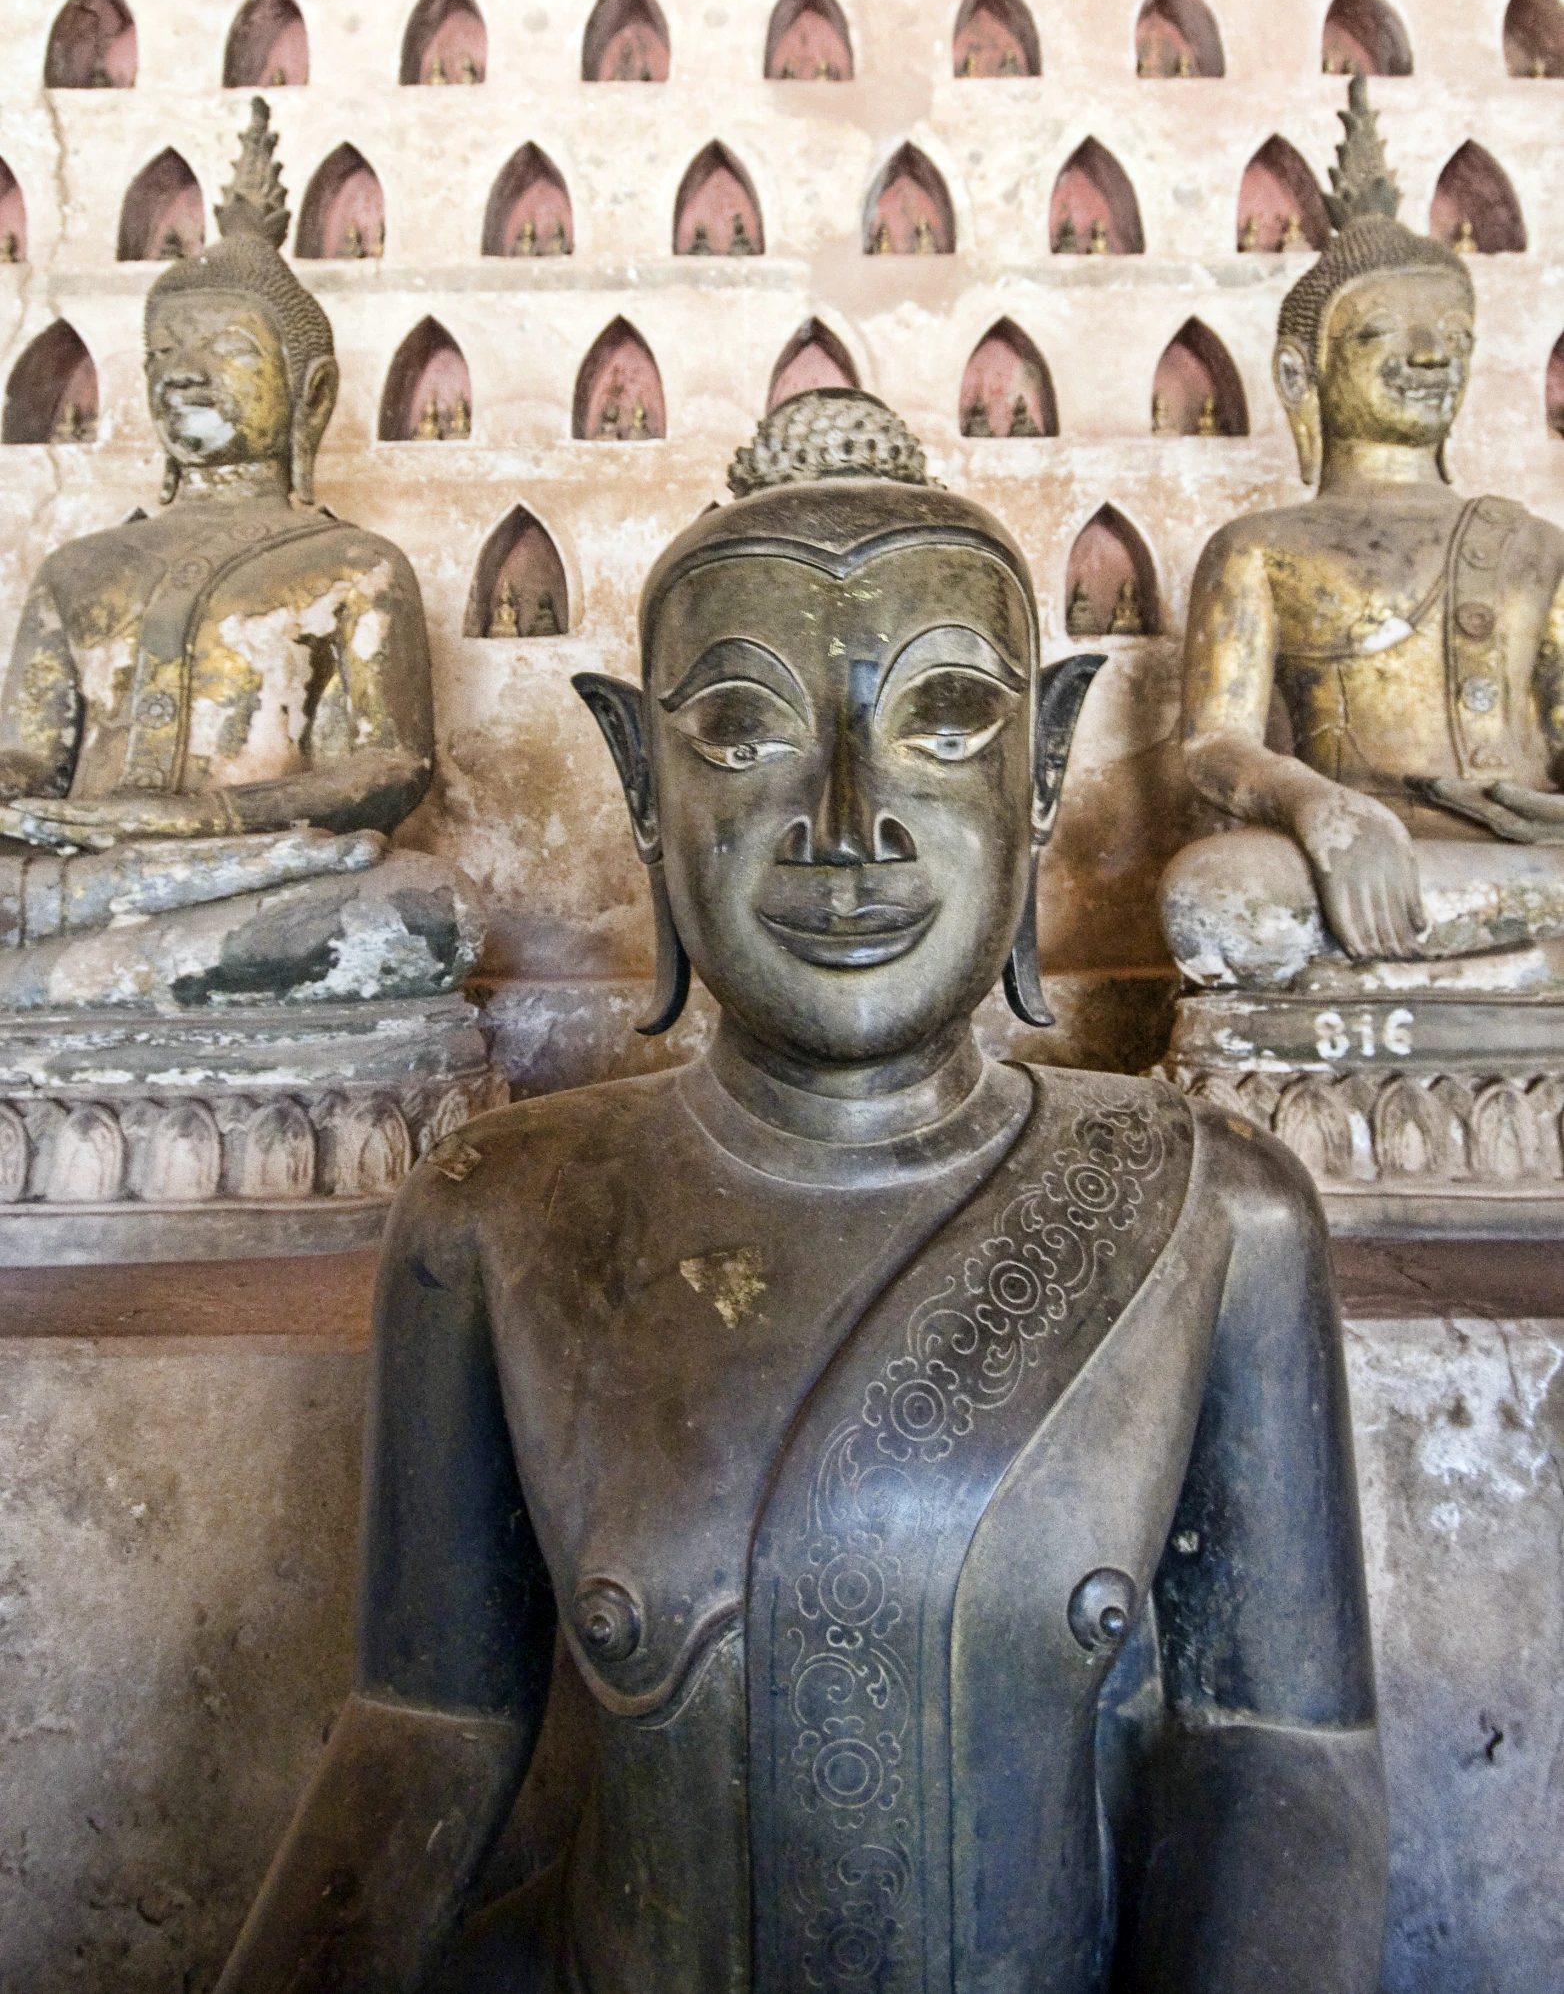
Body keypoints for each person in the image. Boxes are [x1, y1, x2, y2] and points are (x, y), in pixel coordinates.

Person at [219, 393, 1386, 1994]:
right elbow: (422, 1730)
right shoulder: (499, 1214)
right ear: (641, 781)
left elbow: (1285, 1758)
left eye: (949, 715)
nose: (849, 823)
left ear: (1043, 773)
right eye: (746, 730)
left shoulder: (1212, 1212)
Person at [0, 99, 481, 1010]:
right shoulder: (81, 569)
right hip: (82, 877)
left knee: (420, 914)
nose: (185, 373)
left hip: (251, 871)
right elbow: (28, 760)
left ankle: (63, 985)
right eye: (164, 354)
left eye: (225, 350)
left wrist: (205, 818)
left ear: (311, 395)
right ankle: (105, 974)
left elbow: (390, 769)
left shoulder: (355, 565)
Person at [1162, 78, 1564, 992]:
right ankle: (1496, 970)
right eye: (1385, 332)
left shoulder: (1534, 545)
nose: (1431, 356)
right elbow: (1211, 745)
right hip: (1348, 859)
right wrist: (1317, 805)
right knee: (1218, 899)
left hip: (1520, 863)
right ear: (1302, 373)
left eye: (1453, 335)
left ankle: (1463, 964)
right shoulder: (1259, 546)